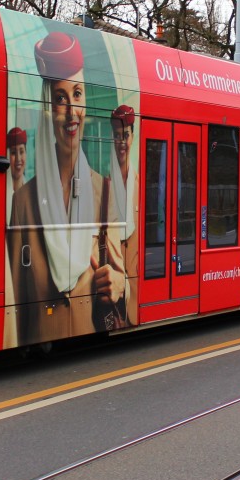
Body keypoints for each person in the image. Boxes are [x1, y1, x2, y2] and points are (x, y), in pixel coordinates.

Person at [6, 31, 126, 345]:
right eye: (60, 98)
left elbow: (121, 274)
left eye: (77, 94)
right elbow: (16, 305)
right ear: (47, 106)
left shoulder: (105, 191)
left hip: (90, 340)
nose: (71, 112)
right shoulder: (22, 202)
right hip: (41, 345)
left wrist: (119, 282)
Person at [105, 105, 139, 328]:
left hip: (135, 291)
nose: (121, 142)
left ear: (133, 137)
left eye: (125, 135)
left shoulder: (139, 183)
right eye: (117, 136)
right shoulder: (103, 184)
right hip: (113, 292)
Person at [5, 126, 27, 216]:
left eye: (21, 152)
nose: (18, 159)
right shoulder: (2, 193)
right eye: (13, 153)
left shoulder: (31, 192)